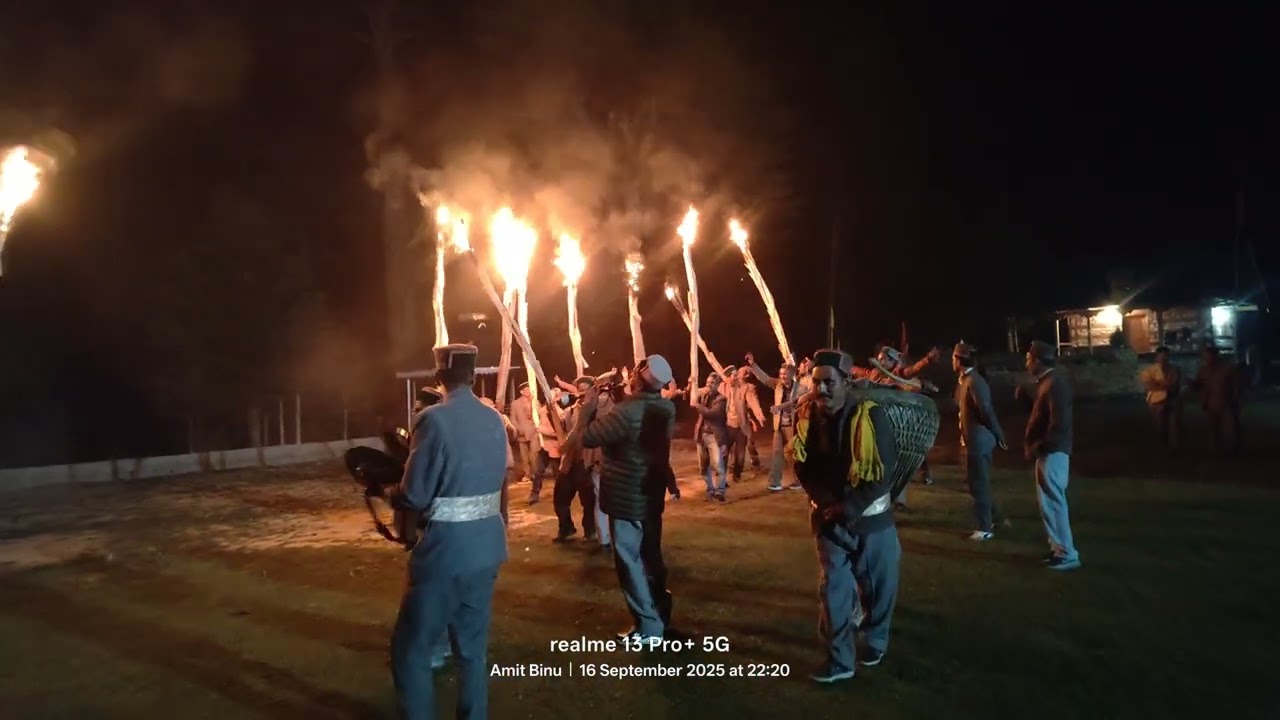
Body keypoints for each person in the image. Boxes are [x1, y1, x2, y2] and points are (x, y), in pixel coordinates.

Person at [387, 343, 509, 719]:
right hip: (487, 548)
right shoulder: (494, 419)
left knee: (411, 651)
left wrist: (389, 492)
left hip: (445, 552)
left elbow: (415, 493)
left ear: (439, 376)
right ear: (472, 375)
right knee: (472, 652)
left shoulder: (432, 419)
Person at [787, 349, 901, 683]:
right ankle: (840, 660)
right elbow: (802, 466)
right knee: (834, 590)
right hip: (828, 521)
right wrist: (825, 502)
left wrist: (849, 507)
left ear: (847, 383)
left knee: (877, 588)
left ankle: (875, 640)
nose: (821, 389)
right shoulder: (806, 416)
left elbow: (883, 474)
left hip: (871, 521)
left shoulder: (871, 416)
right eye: (816, 382)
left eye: (829, 382)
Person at [573, 354, 677, 644]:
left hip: (626, 497)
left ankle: (648, 627)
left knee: (629, 562)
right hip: (651, 495)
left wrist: (588, 407)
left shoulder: (626, 412)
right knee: (651, 557)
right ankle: (660, 611)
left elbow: (587, 437)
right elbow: (634, 424)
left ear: (638, 377)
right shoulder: (666, 407)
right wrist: (622, 398)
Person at [1023, 340, 1080, 571]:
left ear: (1037, 361)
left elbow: (1060, 421)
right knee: (1048, 504)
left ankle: (1067, 554)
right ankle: (1058, 549)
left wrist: (1044, 445)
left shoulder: (1056, 383)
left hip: (1053, 452)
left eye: (1028, 359)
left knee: (1054, 503)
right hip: (1048, 450)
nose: (1026, 363)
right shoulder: (1049, 382)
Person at [953, 342, 1008, 541]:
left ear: (959, 360)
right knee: (976, 483)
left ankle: (985, 528)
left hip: (978, 443)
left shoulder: (975, 381)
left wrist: (998, 434)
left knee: (978, 485)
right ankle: (998, 519)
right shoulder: (965, 380)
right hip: (971, 441)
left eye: (953, 357)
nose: (952, 361)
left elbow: (985, 410)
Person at [745, 352, 805, 492]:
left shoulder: (800, 388)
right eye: (781, 374)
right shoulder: (778, 385)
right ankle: (775, 482)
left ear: (791, 375)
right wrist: (753, 365)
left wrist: (780, 407)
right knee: (777, 453)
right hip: (779, 425)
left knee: (795, 454)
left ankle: (799, 479)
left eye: (785, 374)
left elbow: (795, 402)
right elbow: (765, 379)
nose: (782, 376)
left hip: (793, 425)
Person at [551, 389, 598, 543]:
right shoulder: (569, 411)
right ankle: (566, 528)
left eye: (586, 388)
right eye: (580, 388)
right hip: (568, 462)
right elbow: (562, 428)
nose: (583, 392)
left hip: (585, 461)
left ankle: (590, 531)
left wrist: (563, 447)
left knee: (588, 501)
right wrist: (552, 406)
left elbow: (578, 431)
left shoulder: (596, 410)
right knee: (560, 497)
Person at [720, 365, 766, 482]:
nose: (737, 377)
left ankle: (737, 474)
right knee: (724, 450)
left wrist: (759, 416)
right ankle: (722, 474)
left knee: (740, 453)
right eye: (734, 375)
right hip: (728, 425)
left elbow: (753, 403)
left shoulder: (746, 388)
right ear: (728, 377)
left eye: (739, 374)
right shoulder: (723, 387)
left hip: (742, 426)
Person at [1192, 345, 1240, 453]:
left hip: (1226, 401)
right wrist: (1193, 385)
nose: (1207, 358)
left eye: (1209, 356)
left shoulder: (1227, 369)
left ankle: (1232, 448)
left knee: (1230, 427)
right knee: (1213, 427)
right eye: (1205, 356)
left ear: (1215, 356)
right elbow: (1198, 385)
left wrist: (1235, 398)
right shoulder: (1203, 370)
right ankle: (1216, 449)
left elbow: (1236, 385)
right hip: (1210, 402)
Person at [691, 371, 732, 501]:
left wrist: (698, 406)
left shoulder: (721, 399)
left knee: (718, 465)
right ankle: (710, 489)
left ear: (718, 384)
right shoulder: (704, 397)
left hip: (714, 436)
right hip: (701, 435)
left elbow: (713, 414)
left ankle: (720, 491)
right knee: (703, 466)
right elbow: (690, 396)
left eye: (712, 382)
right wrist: (691, 384)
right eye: (707, 382)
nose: (709, 385)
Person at [1139, 346, 1183, 450]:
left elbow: (1175, 385)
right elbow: (1148, 386)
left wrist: (1157, 384)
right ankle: (1164, 447)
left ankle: (1174, 448)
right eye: (1162, 356)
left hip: (1172, 400)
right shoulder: (1149, 370)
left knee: (1174, 426)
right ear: (1157, 357)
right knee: (1161, 426)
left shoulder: (1175, 369)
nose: (1164, 358)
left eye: (1165, 356)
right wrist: (1166, 386)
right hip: (1157, 401)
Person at [509, 382, 539, 485]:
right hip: (522, 432)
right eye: (526, 390)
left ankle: (535, 473)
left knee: (534, 454)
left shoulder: (535, 402)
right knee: (524, 456)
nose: (528, 391)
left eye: (529, 389)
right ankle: (527, 474)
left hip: (534, 431)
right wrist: (518, 429)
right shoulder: (515, 404)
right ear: (521, 392)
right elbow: (513, 419)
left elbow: (539, 415)